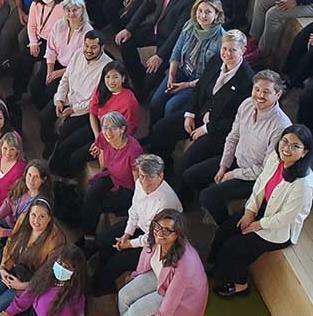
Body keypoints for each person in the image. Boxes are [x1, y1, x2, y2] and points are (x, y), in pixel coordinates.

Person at [208, 124, 313, 298]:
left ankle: (241, 286)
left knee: (235, 247)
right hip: (262, 208)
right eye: (285, 141)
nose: (286, 148)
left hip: (278, 228)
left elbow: (286, 217)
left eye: (295, 146)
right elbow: (260, 186)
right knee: (225, 230)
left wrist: (258, 224)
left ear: (304, 152)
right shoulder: (275, 157)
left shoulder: (304, 184)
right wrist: (250, 211)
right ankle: (216, 268)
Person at [97, 209, 208, 316]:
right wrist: (136, 276)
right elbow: (144, 260)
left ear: (178, 235)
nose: (160, 233)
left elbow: (173, 296)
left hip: (183, 297)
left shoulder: (185, 263)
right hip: (160, 276)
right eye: (158, 226)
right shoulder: (153, 239)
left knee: (135, 311)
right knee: (124, 294)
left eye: (167, 230)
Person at [191, 70, 291, 224]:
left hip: (256, 176)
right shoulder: (246, 104)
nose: (259, 95)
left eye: (266, 92)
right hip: (237, 160)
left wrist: (232, 174)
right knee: (191, 175)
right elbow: (233, 137)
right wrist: (224, 166)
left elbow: (266, 170)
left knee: (208, 196)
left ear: (278, 95)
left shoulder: (281, 127)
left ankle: (224, 224)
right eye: (256, 89)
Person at [149, 30, 254, 169]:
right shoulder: (216, 60)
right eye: (224, 48)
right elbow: (200, 88)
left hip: (216, 129)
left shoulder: (247, 80)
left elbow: (235, 119)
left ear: (243, 50)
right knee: (160, 129)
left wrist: (206, 128)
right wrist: (190, 114)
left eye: (233, 50)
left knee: (186, 164)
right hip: (199, 113)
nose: (227, 54)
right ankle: (163, 167)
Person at [92, 154, 182, 296]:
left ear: (161, 176)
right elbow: (134, 210)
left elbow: (154, 237)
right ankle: (103, 272)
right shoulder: (140, 183)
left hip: (158, 242)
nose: (144, 181)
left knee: (120, 261)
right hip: (141, 227)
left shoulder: (165, 203)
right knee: (104, 239)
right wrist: (127, 233)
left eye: (149, 177)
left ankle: (97, 287)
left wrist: (129, 244)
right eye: (141, 176)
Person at [115, 0, 200, 93]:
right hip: (156, 27)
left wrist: (160, 55)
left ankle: (142, 90)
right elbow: (148, 3)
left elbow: (179, 31)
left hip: (172, 41)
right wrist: (129, 29)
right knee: (124, 42)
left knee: (150, 80)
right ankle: (138, 81)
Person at [0, 161, 54, 300]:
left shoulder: (41, 205)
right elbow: (8, 203)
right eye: (29, 175)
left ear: (43, 180)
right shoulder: (21, 185)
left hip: (17, 239)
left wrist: (3, 233)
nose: (31, 180)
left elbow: (29, 233)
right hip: (5, 225)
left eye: (36, 177)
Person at [149, 0, 225, 125]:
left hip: (198, 81)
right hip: (182, 69)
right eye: (200, 11)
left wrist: (186, 85)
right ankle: (152, 132)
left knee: (171, 106)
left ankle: (164, 139)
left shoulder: (221, 40)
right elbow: (177, 50)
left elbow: (211, 77)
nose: (202, 16)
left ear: (217, 14)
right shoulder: (190, 25)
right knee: (156, 101)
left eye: (208, 12)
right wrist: (172, 74)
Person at [53, 61, 140, 177]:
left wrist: (102, 143)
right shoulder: (102, 90)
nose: (111, 81)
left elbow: (127, 133)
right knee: (66, 145)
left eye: (115, 77)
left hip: (112, 138)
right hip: (97, 128)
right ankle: (56, 176)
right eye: (107, 77)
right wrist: (97, 136)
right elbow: (93, 113)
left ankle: (68, 181)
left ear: (123, 78)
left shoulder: (129, 102)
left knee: (76, 157)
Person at [39, 31, 111, 159]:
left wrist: (73, 109)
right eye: (86, 46)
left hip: (83, 110)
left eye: (94, 47)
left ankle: (58, 157)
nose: (88, 50)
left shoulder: (107, 68)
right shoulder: (78, 53)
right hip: (68, 98)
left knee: (64, 131)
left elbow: (95, 101)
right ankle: (49, 143)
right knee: (44, 116)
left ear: (102, 48)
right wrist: (59, 99)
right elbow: (65, 79)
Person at [79, 112, 142, 249]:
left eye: (112, 128)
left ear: (122, 129)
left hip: (128, 188)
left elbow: (138, 184)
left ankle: (95, 242)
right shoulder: (104, 137)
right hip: (112, 175)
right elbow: (102, 158)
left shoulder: (134, 150)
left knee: (99, 204)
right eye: (105, 127)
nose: (108, 132)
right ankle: (88, 236)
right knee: (91, 194)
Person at [29, 0, 89, 111]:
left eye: (75, 10)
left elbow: (81, 63)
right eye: (68, 10)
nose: (71, 14)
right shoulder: (58, 25)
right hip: (56, 62)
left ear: (82, 10)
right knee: (35, 85)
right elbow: (51, 50)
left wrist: (58, 73)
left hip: (72, 70)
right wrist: (50, 71)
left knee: (51, 89)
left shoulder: (87, 32)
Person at [10, 0, 65, 103]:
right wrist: (34, 43)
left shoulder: (62, 7)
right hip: (40, 40)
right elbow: (31, 25)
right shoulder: (35, 4)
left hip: (55, 44)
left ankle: (40, 101)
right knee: (21, 60)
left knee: (44, 73)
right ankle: (18, 93)